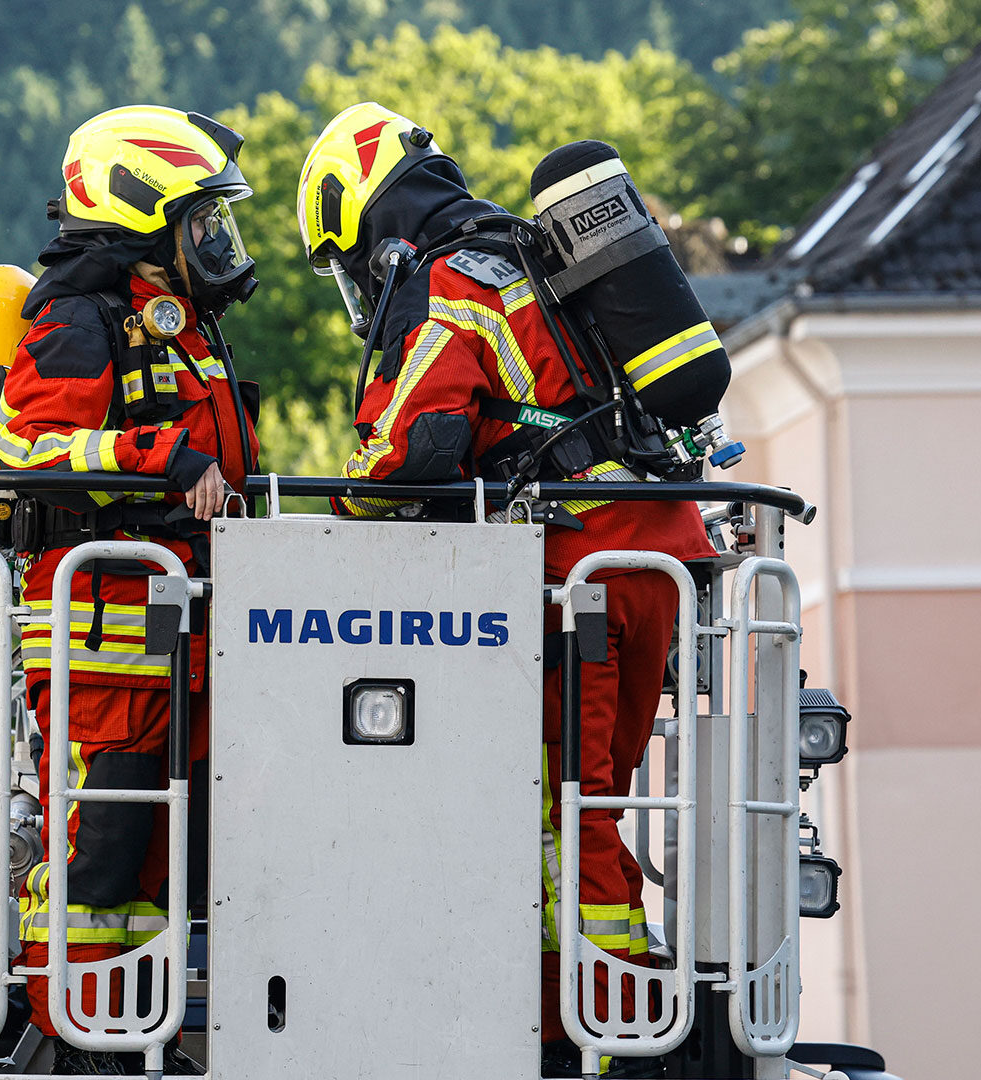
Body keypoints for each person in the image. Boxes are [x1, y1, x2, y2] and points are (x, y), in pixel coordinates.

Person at [295, 102, 716, 1077]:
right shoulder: (534, 256)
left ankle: (615, 1033)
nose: (357, 282)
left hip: (579, 572)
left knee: (564, 809)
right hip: (657, 549)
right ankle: (571, 1020)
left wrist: (334, 525)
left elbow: (410, 446)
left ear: (364, 214)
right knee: (590, 796)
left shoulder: (451, 278)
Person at [0, 104, 259, 1075]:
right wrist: (164, 454)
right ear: (139, 213)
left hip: (181, 629)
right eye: (200, 222)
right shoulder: (75, 316)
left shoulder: (180, 324)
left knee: (160, 860)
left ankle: (132, 1034)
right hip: (104, 632)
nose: (215, 243)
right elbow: (36, 451)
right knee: (98, 847)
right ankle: (70, 1040)